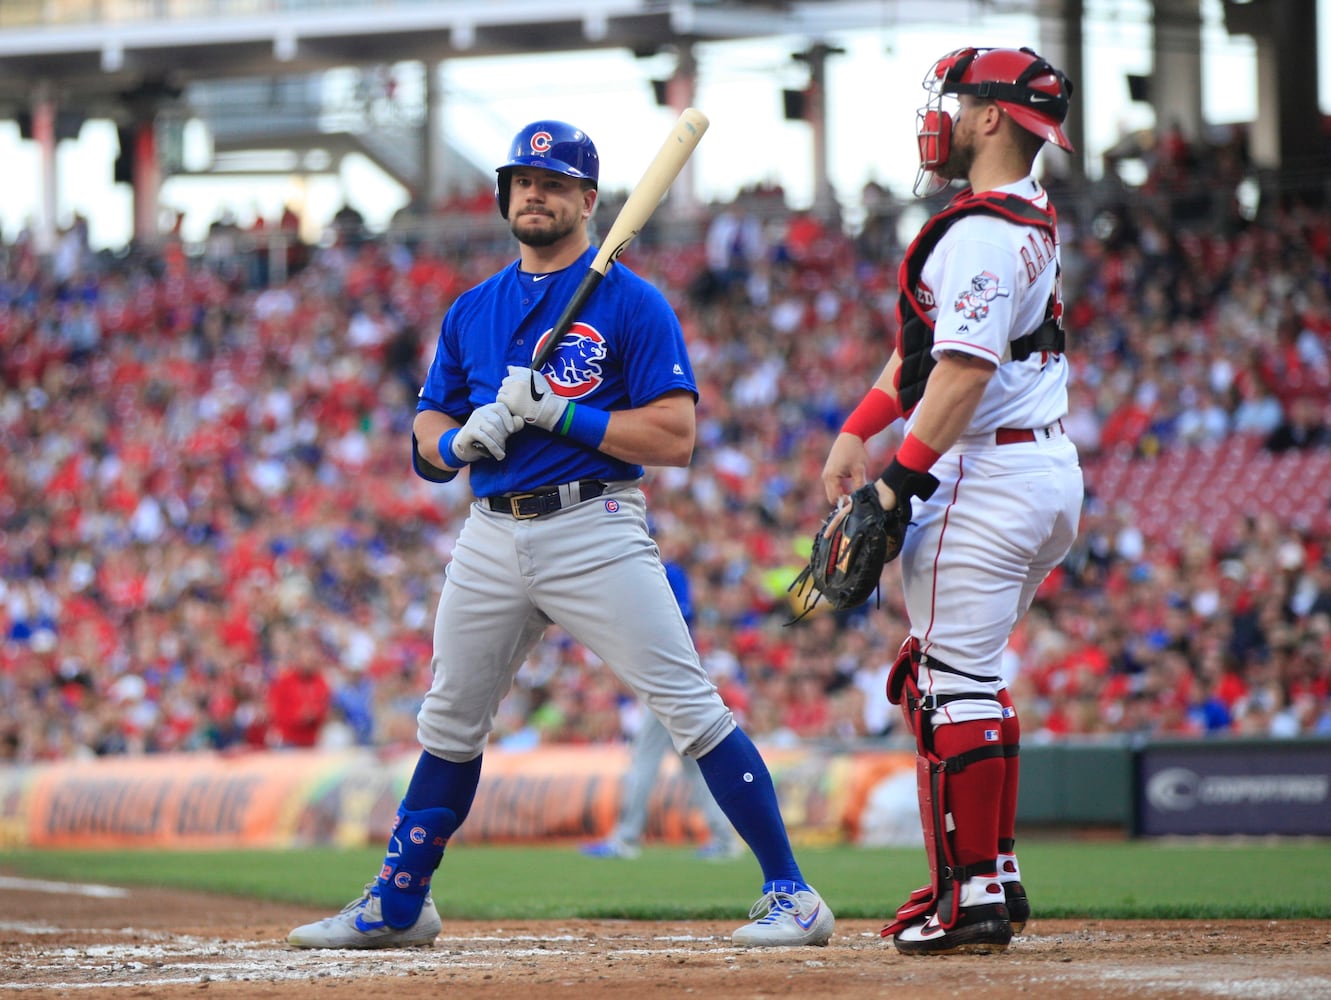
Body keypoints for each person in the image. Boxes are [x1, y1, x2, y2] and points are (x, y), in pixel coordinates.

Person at [288, 119, 833, 950]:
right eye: (521, 180)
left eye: (551, 182)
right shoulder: (473, 309)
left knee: (687, 708)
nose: (532, 193)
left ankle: (792, 892)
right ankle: (400, 901)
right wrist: (456, 442)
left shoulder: (631, 301)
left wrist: (562, 413)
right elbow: (425, 428)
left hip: (595, 523)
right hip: (491, 531)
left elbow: (674, 437)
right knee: (449, 721)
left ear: (588, 200)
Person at [818, 47, 1082, 956]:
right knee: (974, 676)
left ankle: (966, 894)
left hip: (990, 468)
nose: (943, 114)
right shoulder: (1021, 217)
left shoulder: (976, 231)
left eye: (959, 101)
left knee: (942, 685)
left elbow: (963, 371)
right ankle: (994, 878)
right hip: (1040, 468)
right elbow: (931, 356)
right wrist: (860, 426)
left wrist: (900, 476)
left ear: (993, 119)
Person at [581, 552, 740, 861]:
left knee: (645, 758)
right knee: (693, 762)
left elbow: (677, 618)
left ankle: (626, 838)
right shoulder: (646, 570)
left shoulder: (667, 572)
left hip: (668, 673)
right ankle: (723, 837)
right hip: (665, 672)